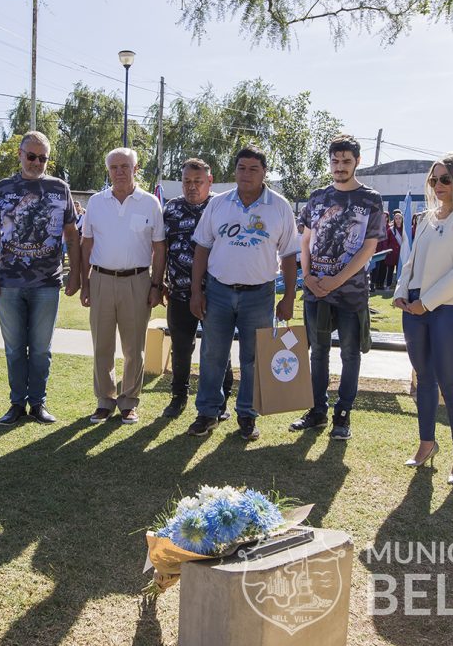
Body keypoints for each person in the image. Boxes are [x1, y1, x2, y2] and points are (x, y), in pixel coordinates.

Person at [187, 146, 299, 441]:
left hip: (259, 295)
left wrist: (288, 297)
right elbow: (202, 247)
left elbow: (289, 255)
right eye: (241, 168)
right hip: (218, 292)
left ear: (264, 173)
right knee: (213, 355)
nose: (246, 174)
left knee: (253, 358)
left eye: (253, 169)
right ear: (233, 170)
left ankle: (247, 416)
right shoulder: (219, 204)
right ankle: (207, 413)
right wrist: (196, 291)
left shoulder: (279, 206)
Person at [394, 154, 453, 485]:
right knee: (424, 379)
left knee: (451, 384)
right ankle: (426, 444)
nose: (438, 186)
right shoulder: (426, 218)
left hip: (449, 310)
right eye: (434, 180)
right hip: (415, 309)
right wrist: (401, 292)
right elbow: (411, 262)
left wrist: (427, 303)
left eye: (445, 179)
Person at [0, 131, 81, 426]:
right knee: (14, 348)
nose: (37, 162)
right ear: (20, 154)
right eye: (32, 156)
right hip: (9, 282)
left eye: (43, 157)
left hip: (47, 283)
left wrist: (75, 274)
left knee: (41, 349)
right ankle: (16, 403)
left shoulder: (59, 188)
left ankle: (38, 403)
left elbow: (72, 236)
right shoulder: (2, 189)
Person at [290, 135, 383, 440]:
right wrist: (308, 277)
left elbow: (369, 247)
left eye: (346, 161)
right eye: (335, 161)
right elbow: (305, 240)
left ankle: (342, 415)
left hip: (350, 293)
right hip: (316, 291)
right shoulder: (317, 197)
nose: (340, 167)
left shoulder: (371, 199)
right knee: (317, 352)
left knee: (349, 354)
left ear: (357, 161)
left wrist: (335, 280)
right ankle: (317, 411)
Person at [80, 148, 165, 425]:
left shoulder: (150, 203)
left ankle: (128, 401)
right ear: (108, 171)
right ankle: (105, 400)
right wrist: (85, 282)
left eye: (125, 166)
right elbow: (86, 244)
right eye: (114, 167)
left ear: (136, 169)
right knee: (102, 345)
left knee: (133, 348)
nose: (119, 171)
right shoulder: (96, 202)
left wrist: (156, 284)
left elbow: (159, 247)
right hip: (101, 279)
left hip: (138, 281)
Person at [160, 158, 234, 420]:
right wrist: (160, 281)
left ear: (209, 181)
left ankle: (222, 400)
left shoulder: (222, 207)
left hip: (216, 293)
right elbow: (161, 248)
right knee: (181, 347)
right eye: (186, 182)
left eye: (197, 182)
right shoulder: (171, 208)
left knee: (217, 348)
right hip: (179, 292)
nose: (192, 187)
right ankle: (178, 397)